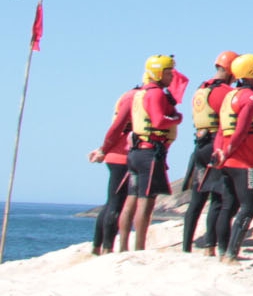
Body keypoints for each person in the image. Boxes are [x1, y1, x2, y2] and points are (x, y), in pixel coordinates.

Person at [119, 54, 183, 251]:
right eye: (168, 72)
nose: (172, 76)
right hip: (149, 155)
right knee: (146, 202)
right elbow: (158, 121)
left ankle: (122, 246)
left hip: (136, 153)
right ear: (158, 73)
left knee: (131, 199)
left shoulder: (139, 93)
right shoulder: (155, 93)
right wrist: (176, 118)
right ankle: (138, 247)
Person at [210, 54, 253, 263]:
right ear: (251, 72)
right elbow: (241, 130)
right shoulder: (251, 98)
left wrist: (219, 152)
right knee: (250, 207)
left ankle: (223, 251)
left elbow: (220, 130)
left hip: (225, 160)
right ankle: (232, 254)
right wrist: (230, 150)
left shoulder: (229, 97)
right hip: (243, 162)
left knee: (229, 205)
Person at [180, 52, 237, 255]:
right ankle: (210, 247)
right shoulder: (224, 92)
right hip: (215, 145)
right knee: (218, 198)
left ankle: (186, 247)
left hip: (199, 146)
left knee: (196, 200)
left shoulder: (200, 89)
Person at [86, 83, 138, 254]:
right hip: (122, 156)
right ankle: (107, 248)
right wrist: (103, 149)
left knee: (111, 203)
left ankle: (97, 246)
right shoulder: (134, 98)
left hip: (116, 155)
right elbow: (116, 128)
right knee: (116, 204)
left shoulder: (128, 96)